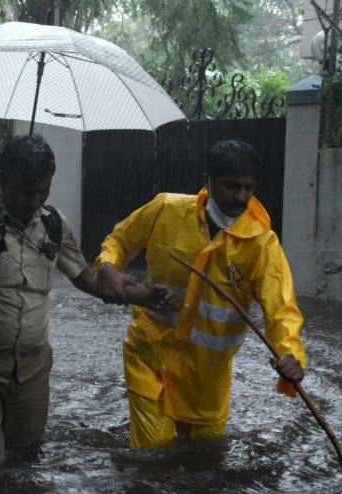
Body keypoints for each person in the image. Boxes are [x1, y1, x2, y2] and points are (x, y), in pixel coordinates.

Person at [0, 134, 164, 468]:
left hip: (31, 369)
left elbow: (86, 278)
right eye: (22, 191)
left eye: (41, 191)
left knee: (24, 459)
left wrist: (141, 294)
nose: (31, 201)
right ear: (1, 179)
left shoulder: (52, 224)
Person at [96, 140, 306, 448]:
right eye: (232, 187)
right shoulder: (166, 210)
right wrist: (106, 266)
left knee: (205, 460)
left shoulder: (262, 245)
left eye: (249, 188)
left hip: (207, 379)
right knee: (154, 457)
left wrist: (291, 354)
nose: (241, 197)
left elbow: (281, 308)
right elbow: (120, 240)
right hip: (150, 359)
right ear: (207, 180)